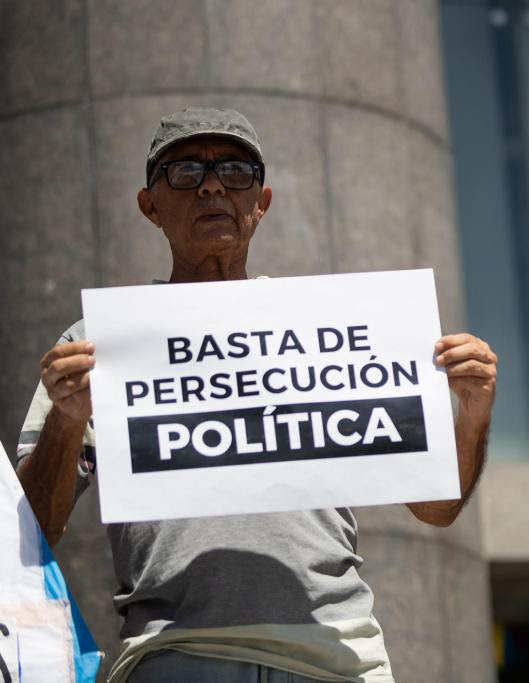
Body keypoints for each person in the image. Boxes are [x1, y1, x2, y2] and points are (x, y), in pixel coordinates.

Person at [15, 107, 498, 683]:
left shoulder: (338, 330)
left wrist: (471, 414)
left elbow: (437, 507)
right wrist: (67, 421)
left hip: (338, 653)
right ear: (150, 206)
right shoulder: (96, 345)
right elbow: (34, 528)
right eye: (186, 172)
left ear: (261, 202)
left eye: (236, 171)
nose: (214, 185)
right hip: (176, 654)